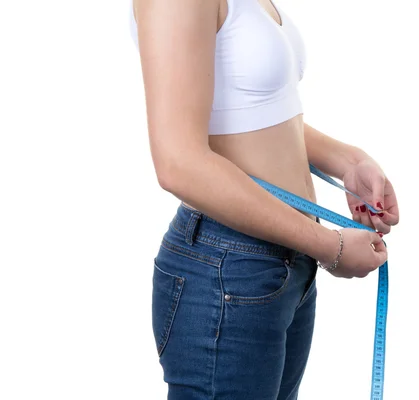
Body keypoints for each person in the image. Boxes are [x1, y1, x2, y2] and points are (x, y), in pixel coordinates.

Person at [129, 0, 399, 398]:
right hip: (229, 269)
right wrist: (330, 245)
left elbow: (251, 115)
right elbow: (178, 162)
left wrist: (349, 161)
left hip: (286, 264)